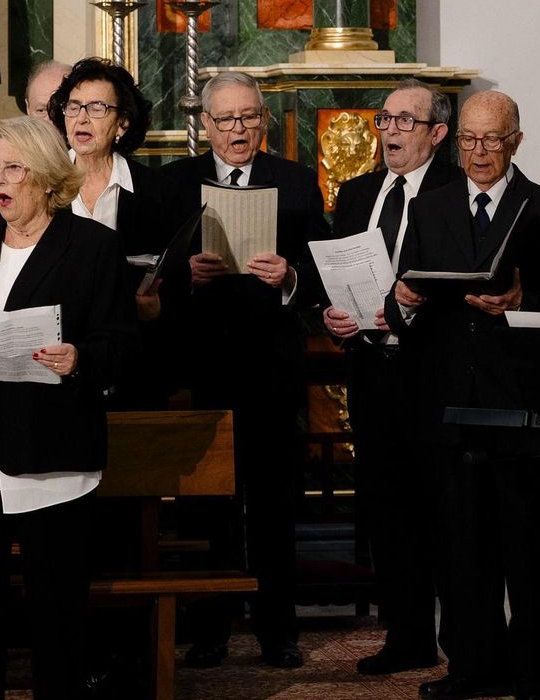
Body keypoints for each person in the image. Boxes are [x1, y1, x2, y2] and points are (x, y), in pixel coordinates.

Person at [0, 116, 137, 699]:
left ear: (44, 176)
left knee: (56, 618)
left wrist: (78, 358)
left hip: (54, 459)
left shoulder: (92, 248)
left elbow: (121, 343)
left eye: (13, 168)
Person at [384, 90, 540, 700]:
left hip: (526, 406)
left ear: (517, 142)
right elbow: (406, 316)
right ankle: (469, 666)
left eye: (493, 140)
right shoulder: (430, 207)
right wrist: (403, 304)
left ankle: (530, 670)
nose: (479, 152)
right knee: (460, 544)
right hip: (448, 403)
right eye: (470, 139)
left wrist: (523, 303)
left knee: (528, 544)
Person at [158, 72, 327, 670]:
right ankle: (208, 631)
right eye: (226, 119)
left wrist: (291, 276)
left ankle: (279, 631)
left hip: (273, 369)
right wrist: (187, 276)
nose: (238, 130)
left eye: (249, 118)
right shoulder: (175, 183)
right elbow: (151, 278)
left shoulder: (298, 181)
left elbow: (322, 267)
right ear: (204, 124)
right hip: (203, 368)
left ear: (264, 120)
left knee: (276, 505)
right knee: (208, 506)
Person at [321, 80, 460, 675]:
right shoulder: (355, 194)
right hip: (371, 371)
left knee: (443, 509)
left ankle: (463, 642)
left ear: (438, 132)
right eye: (385, 120)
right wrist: (330, 315)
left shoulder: (458, 192)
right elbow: (335, 271)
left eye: (407, 121)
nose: (392, 131)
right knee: (386, 508)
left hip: (433, 374)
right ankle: (405, 637)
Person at [48, 57, 173, 403]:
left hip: (134, 366)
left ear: (122, 123)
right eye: (73, 107)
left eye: (97, 107)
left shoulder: (155, 192)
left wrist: (156, 308)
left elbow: (177, 278)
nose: (81, 118)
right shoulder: (43, 186)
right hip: (56, 368)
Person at [0, 60, 71, 228]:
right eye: (41, 111)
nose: (50, 121)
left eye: (60, 110)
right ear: (27, 108)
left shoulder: (85, 167)